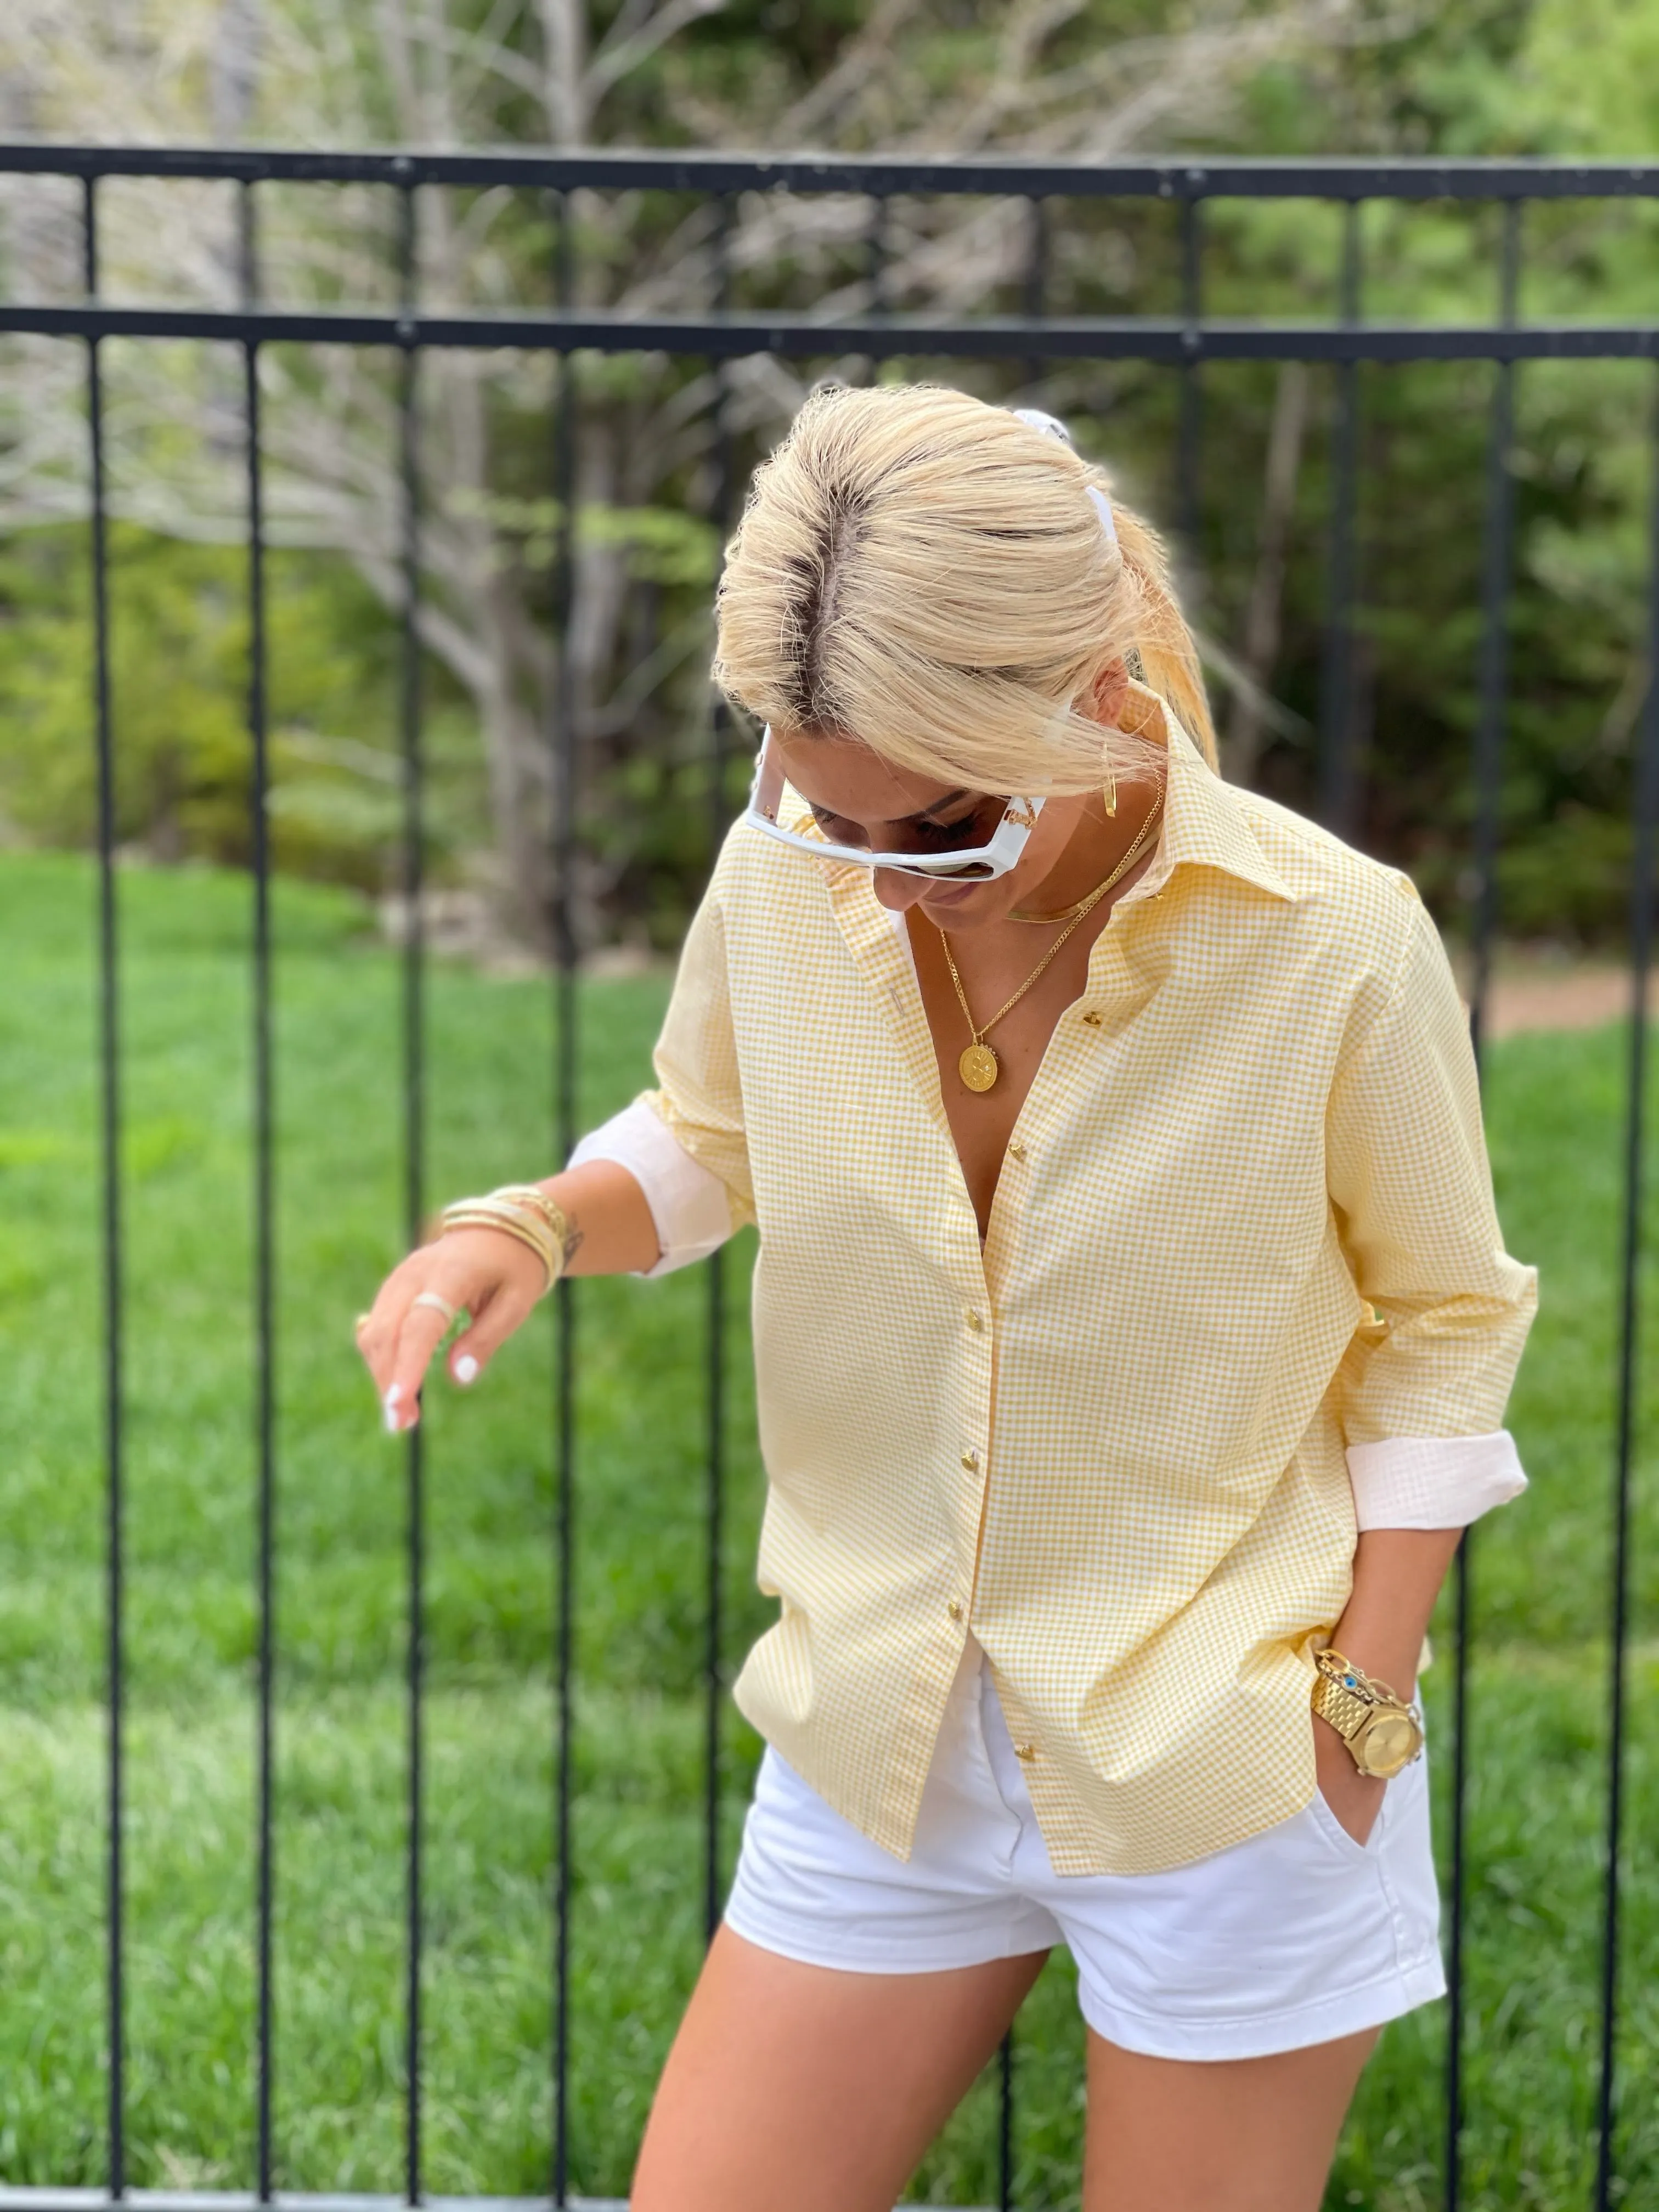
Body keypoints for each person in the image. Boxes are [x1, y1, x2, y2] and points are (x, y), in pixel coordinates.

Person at [356, 384, 1538, 2212]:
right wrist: (526, 1226)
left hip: (1223, 1745)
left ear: (1098, 695)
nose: (880, 877)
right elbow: (712, 1127)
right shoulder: (793, 867)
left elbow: (1445, 1322)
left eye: (945, 824)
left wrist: (1361, 1706)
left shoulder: (1334, 939)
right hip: (877, 1727)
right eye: (824, 810)